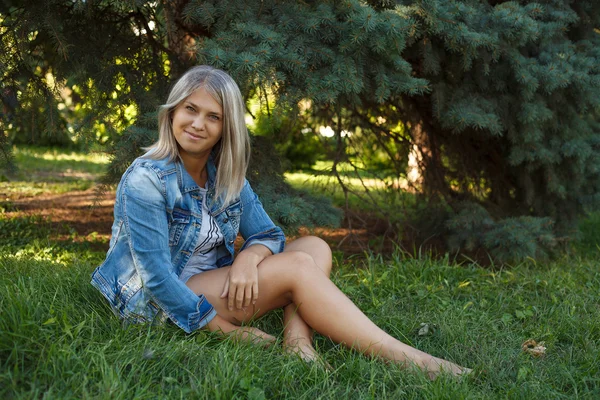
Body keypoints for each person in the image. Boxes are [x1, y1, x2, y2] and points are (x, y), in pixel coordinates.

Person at [91, 65, 470, 379]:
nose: (198, 124)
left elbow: (269, 234)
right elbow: (157, 278)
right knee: (297, 268)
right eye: (190, 109)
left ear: (226, 128)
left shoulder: (225, 174)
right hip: (162, 304)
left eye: (213, 116)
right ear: (172, 112)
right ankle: (411, 360)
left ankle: (297, 340)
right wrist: (231, 334)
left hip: (212, 281)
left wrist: (246, 259)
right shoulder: (146, 179)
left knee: (313, 247)